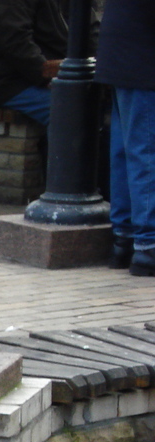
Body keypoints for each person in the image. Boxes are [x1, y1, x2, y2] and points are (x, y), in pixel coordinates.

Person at [95, 0, 155, 277]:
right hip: (142, 56)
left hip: (124, 52)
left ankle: (125, 238)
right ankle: (148, 243)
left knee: (127, 151)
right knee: (145, 151)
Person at [0, 0, 67, 129]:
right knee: (69, 111)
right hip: (15, 83)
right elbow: (15, 40)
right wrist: (45, 77)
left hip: (56, 76)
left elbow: (90, 30)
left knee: (99, 104)